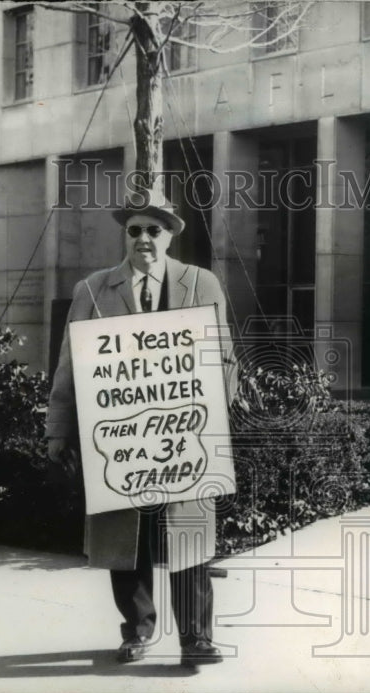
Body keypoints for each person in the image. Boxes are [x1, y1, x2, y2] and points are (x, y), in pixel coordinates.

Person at [45, 189, 237, 667]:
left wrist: (217, 407)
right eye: (135, 230)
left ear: (170, 235)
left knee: (189, 531)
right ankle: (137, 630)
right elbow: (69, 367)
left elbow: (224, 357)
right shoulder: (93, 291)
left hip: (185, 436)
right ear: (124, 236)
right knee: (125, 536)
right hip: (119, 438)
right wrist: (57, 429)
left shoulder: (202, 284)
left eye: (155, 229)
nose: (144, 239)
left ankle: (196, 636)